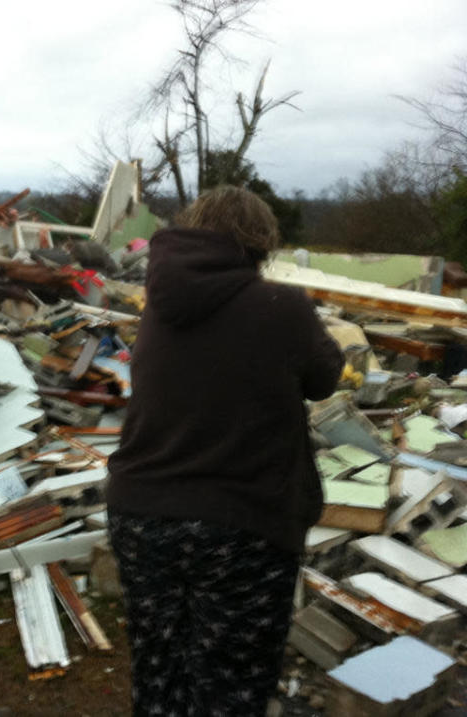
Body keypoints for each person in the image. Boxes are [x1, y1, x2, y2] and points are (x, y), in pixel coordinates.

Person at [105, 185, 344, 716]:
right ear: (260, 242)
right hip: (241, 527)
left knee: (158, 667)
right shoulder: (283, 306)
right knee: (232, 680)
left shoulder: (161, 301)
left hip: (140, 515)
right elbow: (325, 378)